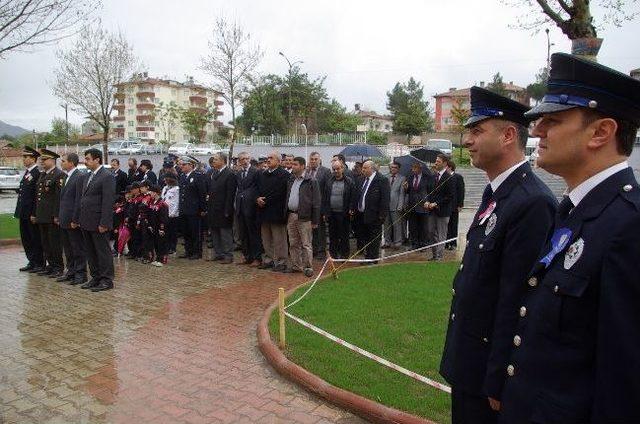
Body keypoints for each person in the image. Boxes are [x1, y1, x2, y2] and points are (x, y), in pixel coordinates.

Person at [499, 53, 640, 424]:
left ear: (601, 133)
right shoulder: (574, 210)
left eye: (553, 121)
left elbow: (624, 382)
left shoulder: (629, 226)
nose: (537, 130)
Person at [439, 86, 557, 424]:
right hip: (471, 363)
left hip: (490, 377)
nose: (468, 141)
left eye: (477, 131)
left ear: (507, 136)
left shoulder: (531, 202)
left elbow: (517, 301)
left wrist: (499, 379)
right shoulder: (498, 194)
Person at [78, 148, 116, 292]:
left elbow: (108, 201)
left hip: (99, 222)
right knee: (90, 251)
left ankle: (106, 280)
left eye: (88, 159)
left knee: (102, 251)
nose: (85, 161)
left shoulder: (107, 176)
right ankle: (95, 277)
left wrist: (104, 223)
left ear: (97, 159)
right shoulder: (88, 176)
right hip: (86, 220)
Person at [285, 157, 321, 276]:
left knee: (306, 243)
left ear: (302, 166)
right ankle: (296, 265)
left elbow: (316, 202)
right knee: (293, 242)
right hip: (291, 215)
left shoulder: (311, 181)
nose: (292, 166)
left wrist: (315, 220)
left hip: (305, 217)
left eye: (295, 164)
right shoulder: (291, 179)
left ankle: (308, 267)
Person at [34, 148, 66, 278]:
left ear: (53, 160)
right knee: (46, 243)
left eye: (45, 159)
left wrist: (56, 215)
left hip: (52, 216)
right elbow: (38, 196)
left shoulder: (59, 175)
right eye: (41, 160)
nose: (42, 162)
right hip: (42, 215)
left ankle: (58, 267)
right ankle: (50, 265)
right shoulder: (42, 174)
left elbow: (58, 198)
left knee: (55, 243)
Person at [256, 151, 289, 272]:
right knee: (266, 238)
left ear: (279, 161)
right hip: (263, 211)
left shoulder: (284, 175)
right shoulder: (262, 174)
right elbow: (257, 188)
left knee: (279, 239)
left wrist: (266, 200)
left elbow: (281, 192)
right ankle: (268, 259)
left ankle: (281, 262)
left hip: (277, 211)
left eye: (271, 158)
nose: (268, 160)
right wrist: (257, 198)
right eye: (267, 158)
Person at [57, 153, 87, 285]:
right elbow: (63, 199)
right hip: (64, 218)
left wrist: (76, 219)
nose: (61, 163)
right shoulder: (67, 176)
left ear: (71, 162)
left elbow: (78, 200)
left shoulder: (79, 177)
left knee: (77, 248)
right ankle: (71, 271)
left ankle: (80, 274)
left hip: (72, 220)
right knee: (68, 248)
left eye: (63, 161)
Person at [15, 146, 44, 273]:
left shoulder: (37, 173)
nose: (24, 159)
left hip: (31, 213)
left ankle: (39, 262)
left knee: (35, 238)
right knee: (26, 238)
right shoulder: (27, 173)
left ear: (33, 159)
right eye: (24, 157)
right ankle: (32, 261)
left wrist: (34, 213)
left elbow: (36, 197)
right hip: (23, 212)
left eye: (26, 157)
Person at [355, 160, 389, 264]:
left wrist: (382, 216)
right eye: (363, 168)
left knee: (374, 238)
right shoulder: (361, 179)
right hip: (362, 214)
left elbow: (385, 199)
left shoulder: (381, 180)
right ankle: (368, 257)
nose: (363, 170)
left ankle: (373, 259)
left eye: (365, 168)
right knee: (365, 237)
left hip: (375, 215)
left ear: (372, 168)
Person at [206, 152, 237, 264]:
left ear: (223, 161)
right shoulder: (214, 173)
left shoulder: (229, 174)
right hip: (213, 208)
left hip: (224, 209)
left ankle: (228, 255)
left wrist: (228, 210)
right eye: (213, 160)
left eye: (216, 159)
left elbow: (230, 194)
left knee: (225, 233)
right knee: (215, 232)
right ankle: (219, 253)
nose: (213, 161)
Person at [323, 159, 357, 259]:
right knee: (333, 236)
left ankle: (344, 255)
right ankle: (333, 255)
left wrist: (351, 208)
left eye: (338, 169)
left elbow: (352, 197)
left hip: (344, 213)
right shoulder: (329, 181)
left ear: (342, 168)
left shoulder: (349, 181)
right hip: (332, 213)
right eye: (334, 169)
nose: (336, 171)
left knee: (344, 236)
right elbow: (325, 197)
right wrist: (325, 212)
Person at [425, 153, 456, 261]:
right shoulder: (433, 176)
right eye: (436, 161)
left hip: (443, 211)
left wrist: (437, 203)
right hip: (432, 211)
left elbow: (450, 196)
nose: (436, 163)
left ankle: (439, 256)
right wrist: (427, 201)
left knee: (442, 234)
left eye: (438, 161)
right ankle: (434, 254)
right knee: (430, 232)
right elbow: (429, 192)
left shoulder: (449, 178)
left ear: (445, 163)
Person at [235, 152, 262, 266]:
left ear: (250, 159)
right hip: (241, 206)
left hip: (252, 207)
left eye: (247, 159)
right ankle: (247, 256)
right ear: (239, 161)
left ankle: (257, 257)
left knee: (253, 233)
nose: (245, 161)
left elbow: (258, 188)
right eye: (242, 159)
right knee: (243, 233)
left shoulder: (256, 172)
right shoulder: (239, 173)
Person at [178, 156, 207, 260]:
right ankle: (188, 251)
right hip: (184, 209)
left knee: (195, 232)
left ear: (191, 165)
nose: (181, 166)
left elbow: (202, 194)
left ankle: (197, 252)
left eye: (184, 164)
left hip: (194, 210)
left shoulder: (198, 176)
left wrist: (203, 209)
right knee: (186, 232)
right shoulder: (182, 176)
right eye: (181, 164)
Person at [306, 152, 331, 259]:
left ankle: (321, 251)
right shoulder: (307, 172)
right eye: (311, 159)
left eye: (315, 159)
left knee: (320, 229)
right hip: (308, 206)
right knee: (311, 229)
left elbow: (327, 191)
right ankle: (314, 249)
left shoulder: (326, 171)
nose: (313, 161)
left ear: (319, 160)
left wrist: (325, 209)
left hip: (320, 206)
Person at [404, 162, 432, 248]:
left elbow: (430, 191)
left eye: (415, 168)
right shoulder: (410, 177)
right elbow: (408, 191)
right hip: (412, 205)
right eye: (412, 168)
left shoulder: (427, 178)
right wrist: (406, 188)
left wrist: (428, 201)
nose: (413, 170)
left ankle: (423, 244)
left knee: (423, 227)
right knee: (413, 226)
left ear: (420, 169)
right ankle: (414, 244)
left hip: (423, 205)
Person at [383, 161, 406, 249]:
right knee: (386, 225)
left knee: (397, 225)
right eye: (392, 167)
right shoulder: (386, 177)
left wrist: (400, 205)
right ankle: (387, 242)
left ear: (398, 169)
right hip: (386, 205)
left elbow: (402, 193)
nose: (393, 169)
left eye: (395, 167)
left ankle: (397, 242)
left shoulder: (402, 178)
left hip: (396, 205)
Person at [446, 160, 465, 250]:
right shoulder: (444, 177)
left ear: (449, 167)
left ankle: (453, 243)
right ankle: (446, 242)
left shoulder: (458, 177)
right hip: (445, 205)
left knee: (453, 225)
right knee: (446, 225)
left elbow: (461, 191)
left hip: (454, 206)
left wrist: (460, 204)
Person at [161, 175, 180, 254]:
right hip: (165, 211)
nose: (165, 181)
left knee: (173, 231)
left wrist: (173, 212)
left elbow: (176, 201)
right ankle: (167, 246)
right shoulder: (165, 188)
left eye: (166, 179)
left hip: (173, 213)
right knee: (166, 230)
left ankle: (173, 247)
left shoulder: (176, 189)